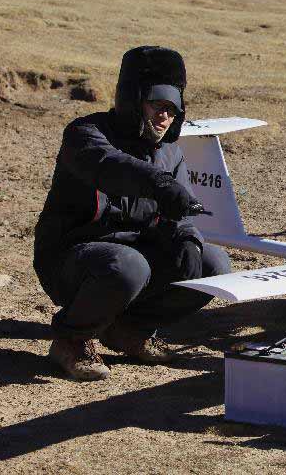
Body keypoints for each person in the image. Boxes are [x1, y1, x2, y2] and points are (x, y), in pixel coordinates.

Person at [33, 46, 231, 381]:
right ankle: (71, 339)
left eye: (172, 109)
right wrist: (159, 184)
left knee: (212, 264)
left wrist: (187, 239)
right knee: (127, 265)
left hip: (131, 257)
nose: (164, 117)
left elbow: (180, 220)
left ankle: (129, 330)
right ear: (132, 100)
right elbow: (110, 166)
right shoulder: (86, 135)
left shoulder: (171, 154)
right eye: (157, 106)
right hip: (73, 259)